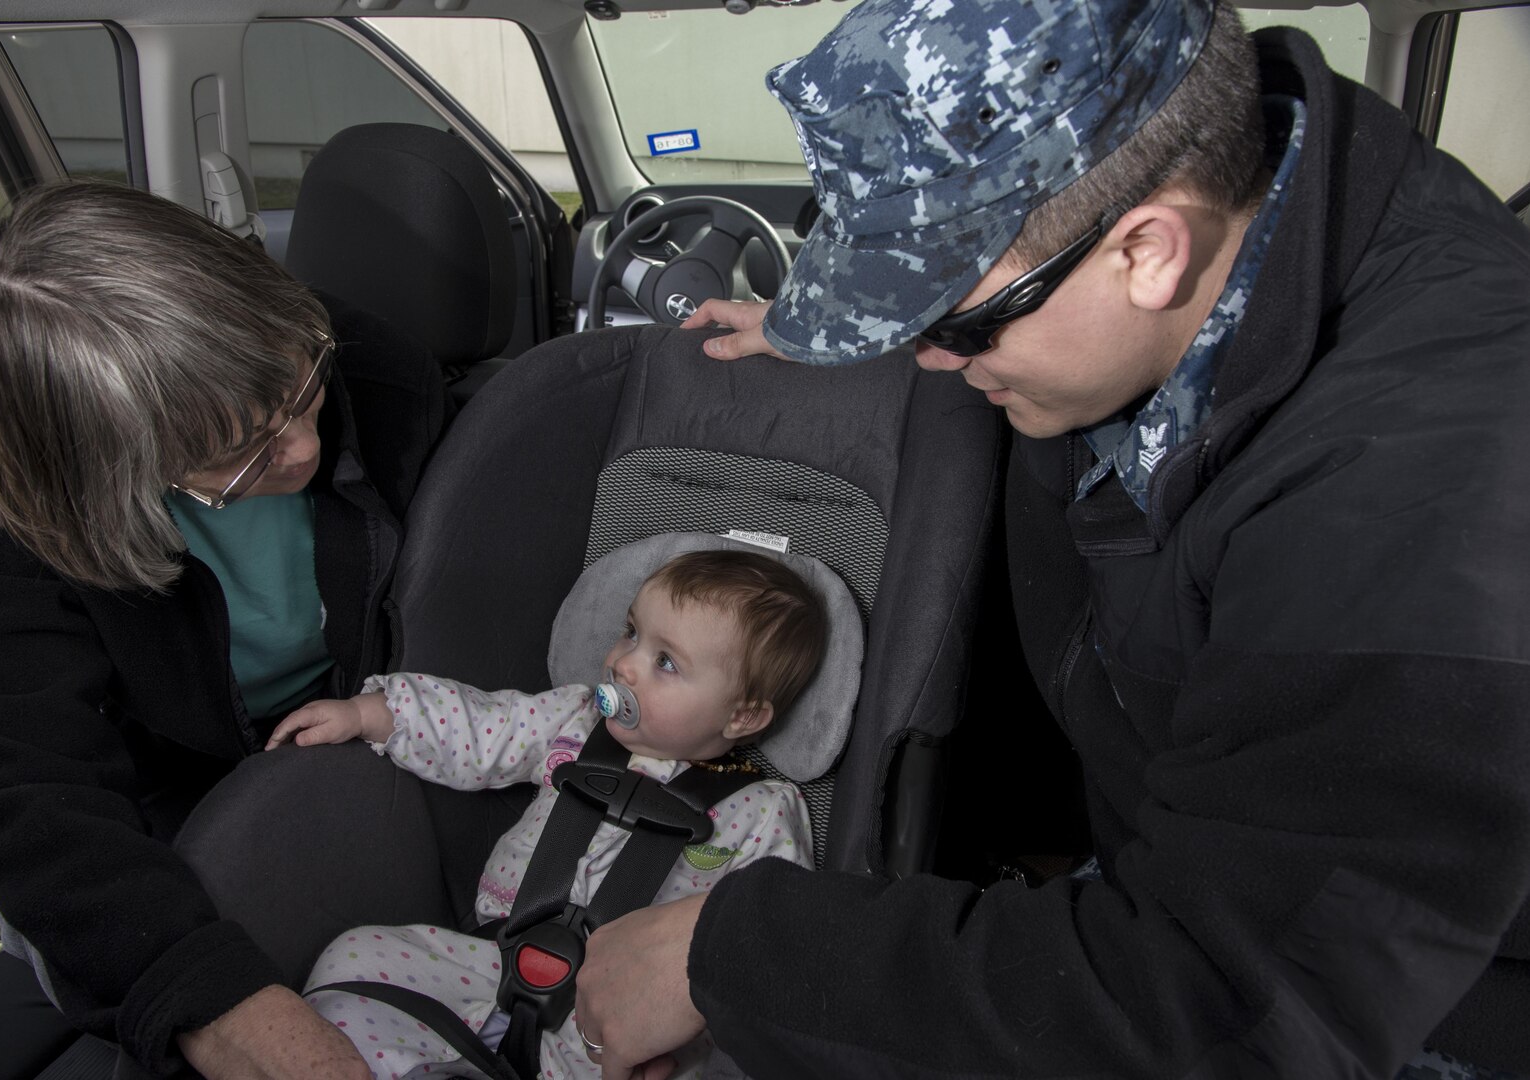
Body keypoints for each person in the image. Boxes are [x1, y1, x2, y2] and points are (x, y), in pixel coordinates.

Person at [573, 1, 1530, 1079]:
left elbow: (1236, 1005)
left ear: (1148, 252)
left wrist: (728, 955)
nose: (932, 363)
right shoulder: (1201, 203)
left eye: (952, 325)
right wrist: (828, 332)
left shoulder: (1426, 488)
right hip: (1165, 881)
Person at [0, 180, 517, 1079]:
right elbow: (25, 772)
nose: (304, 451)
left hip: (341, 727)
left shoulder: (374, 369)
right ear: (106, 475)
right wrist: (206, 998)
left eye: (298, 391)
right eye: (235, 459)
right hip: (148, 766)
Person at [266, 549, 826, 1080]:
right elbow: (480, 725)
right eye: (630, 631)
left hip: (617, 1015)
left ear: (743, 716)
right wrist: (374, 713)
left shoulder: (762, 810)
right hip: (489, 959)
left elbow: (771, 932)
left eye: (665, 662)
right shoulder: (574, 721)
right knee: (354, 960)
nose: (623, 664)